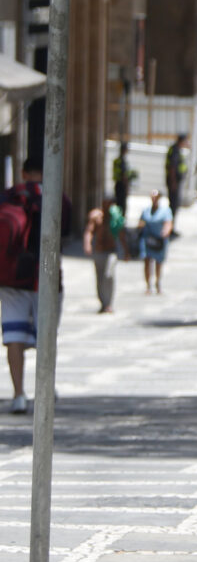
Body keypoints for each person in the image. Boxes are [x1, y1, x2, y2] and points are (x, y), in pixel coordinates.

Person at [0, 156, 71, 414]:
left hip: (10, 278)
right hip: (46, 276)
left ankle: (18, 394)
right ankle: (46, 388)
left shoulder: (8, 196)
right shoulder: (57, 197)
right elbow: (65, 231)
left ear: (23, 172)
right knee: (46, 336)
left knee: (13, 337)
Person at [83, 197, 128, 313]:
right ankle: (103, 302)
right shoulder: (96, 216)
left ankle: (109, 303)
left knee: (109, 275)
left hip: (111, 251)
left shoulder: (116, 217)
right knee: (100, 278)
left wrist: (126, 250)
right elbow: (89, 231)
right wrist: (87, 244)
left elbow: (121, 235)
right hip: (99, 251)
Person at [139, 190, 173, 294]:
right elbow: (141, 222)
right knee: (147, 261)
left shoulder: (165, 210)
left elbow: (168, 223)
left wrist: (165, 232)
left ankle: (158, 282)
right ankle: (148, 285)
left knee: (158, 262)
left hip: (159, 239)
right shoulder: (146, 210)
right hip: (147, 239)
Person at [165, 134, 188, 236]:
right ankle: (170, 228)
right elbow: (172, 168)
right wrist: (173, 182)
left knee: (174, 206)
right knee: (173, 206)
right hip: (173, 183)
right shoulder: (174, 150)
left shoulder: (177, 150)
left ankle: (171, 227)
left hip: (176, 183)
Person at [112, 141, 137, 215]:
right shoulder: (121, 161)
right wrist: (126, 187)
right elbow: (124, 176)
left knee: (119, 204)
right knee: (121, 206)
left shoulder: (117, 160)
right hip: (121, 185)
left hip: (118, 184)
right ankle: (120, 223)